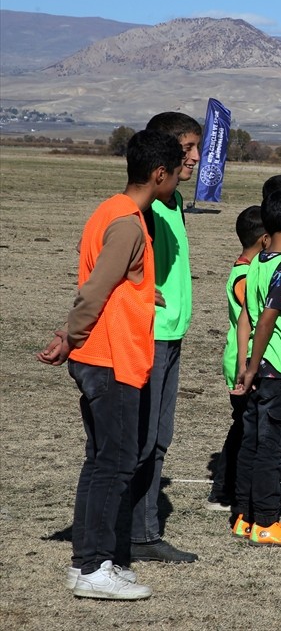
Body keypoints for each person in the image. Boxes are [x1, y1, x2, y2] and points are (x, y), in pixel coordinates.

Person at [38, 129, 183, 600]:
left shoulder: (111, 210)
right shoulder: (127, 222)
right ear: (159, 174)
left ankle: (88, 564)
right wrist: (69, 336)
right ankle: (96, 566)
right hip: (110, 357)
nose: (181, 180)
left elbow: (117, 281)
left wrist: (144, 293)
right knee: (115, 463)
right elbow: (95, 290)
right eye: (179, 172)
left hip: (103, 354)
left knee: (100, 460)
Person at [128, 111, 202, 565]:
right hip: (148, 336)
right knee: (142, 438)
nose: (195, 157)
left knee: (159, 436)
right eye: (188, 148)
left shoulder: (171, 201)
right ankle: (138, 533)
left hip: (170, 334)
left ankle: (141, 528)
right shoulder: (150, 205)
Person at [230, 190, 281, 545]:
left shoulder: (257, 264)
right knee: (272, 446)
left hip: (258, 367)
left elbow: (245, 318)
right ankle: (266, 520)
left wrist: (245, 365)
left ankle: (244, 517)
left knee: (251, 441)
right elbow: (265, 320)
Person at [207, 206, 269, 513]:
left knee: (243, 426)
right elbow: (256, 317)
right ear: (264, 240)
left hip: (245, 360)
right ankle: (224, 491)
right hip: (242, 362)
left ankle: (227, 487)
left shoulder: (248, 270)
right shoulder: (244, 276)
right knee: (244, 429)